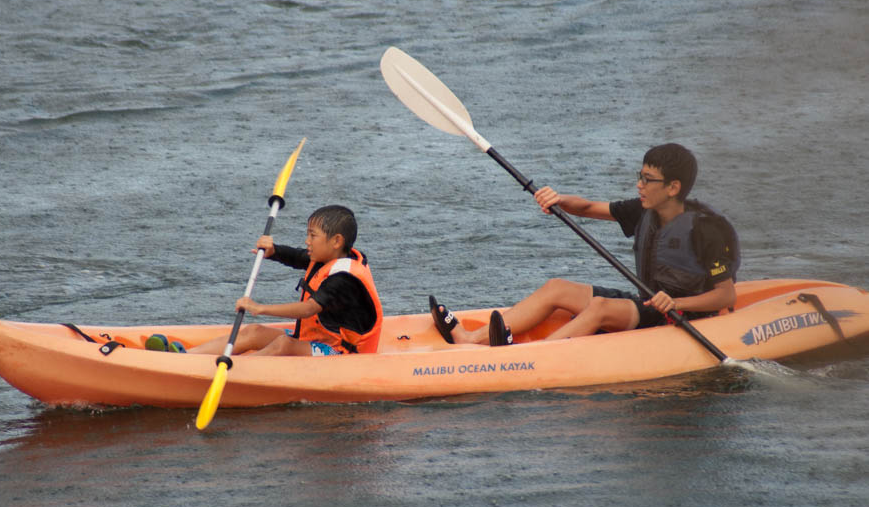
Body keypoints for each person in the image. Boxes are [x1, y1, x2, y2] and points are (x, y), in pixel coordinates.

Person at [430, 143, 740, 346]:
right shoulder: (644, 210)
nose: (639, 185)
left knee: (600, 307)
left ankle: (531, 356)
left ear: (673, 187)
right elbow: (590, 208)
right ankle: (469, 340)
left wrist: (677, 304)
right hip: (648, 303)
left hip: (683, 316)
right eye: (640, 176)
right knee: (556, 288)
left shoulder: (706, 229)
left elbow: (725, 295)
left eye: (648, 180)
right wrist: (559, 199)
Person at [151, 205, 383, 357]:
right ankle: (186, 357)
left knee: (283, 345)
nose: (307, 241)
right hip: (316, 337)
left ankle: (231, 371)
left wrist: (259, 307)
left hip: (342, 352)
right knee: (254, 332)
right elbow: (297, 257)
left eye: (313, 236)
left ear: (336, 241)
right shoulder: (327, 257)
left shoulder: (343, 278)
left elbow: (308, 308)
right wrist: (273, 250)